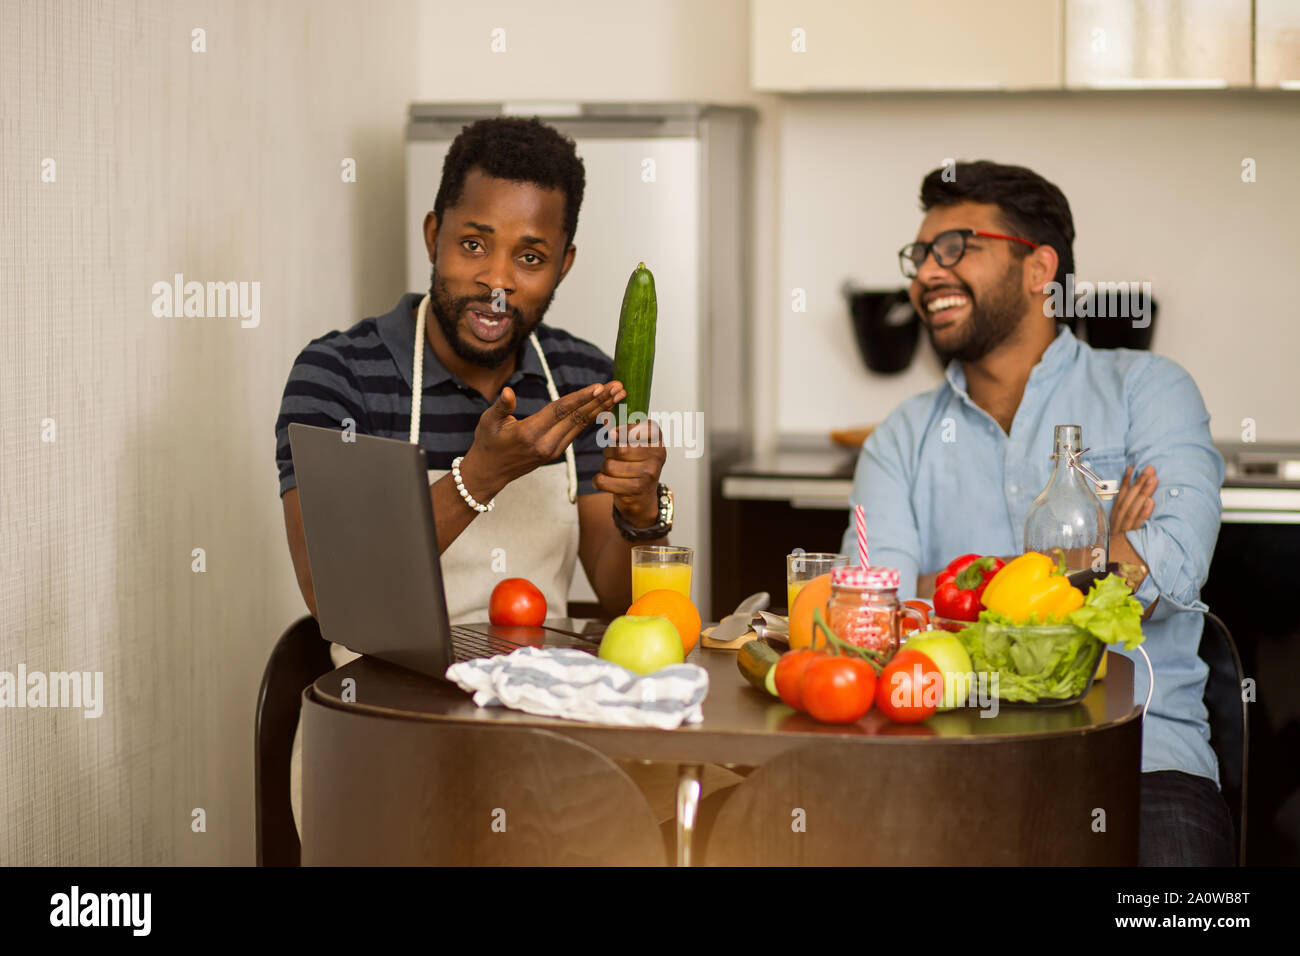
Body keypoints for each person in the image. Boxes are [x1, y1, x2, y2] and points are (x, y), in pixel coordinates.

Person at [273, 116, 739, 847]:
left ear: (563, 266)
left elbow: (621, 597)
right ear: (433, 235)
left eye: (529, 256)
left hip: (547, 736)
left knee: (723, 821)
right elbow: (335, 592)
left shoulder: (581, 379)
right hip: (384, 736)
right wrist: (479, 476)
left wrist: (643, 510)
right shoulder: (339, 375)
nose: (495, 281)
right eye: (472, 244)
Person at [841, 160, 1234, 866]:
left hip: (1144, 759)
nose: (926, 273)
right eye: (920, 256)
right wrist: (1097, 559)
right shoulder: (900, 439)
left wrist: (962, 592)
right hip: (952, 760)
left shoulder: (1150, 391)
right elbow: (872, 624)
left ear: (1038, 268)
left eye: (956, 247)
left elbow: (1174, 568)